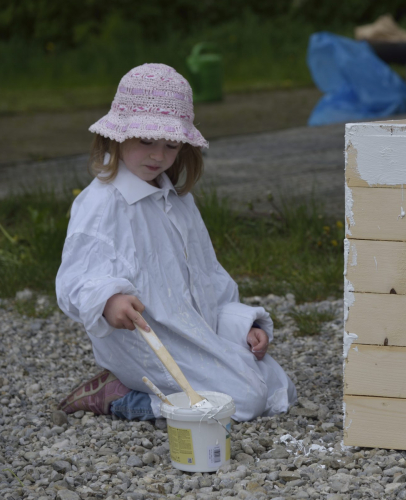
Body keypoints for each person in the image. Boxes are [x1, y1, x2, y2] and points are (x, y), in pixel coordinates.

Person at [55, 63, 297, 422]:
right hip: (145, 340)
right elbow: (75, 279)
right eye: (146, 142)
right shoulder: (103, 204)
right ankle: (119, 396)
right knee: (242, 400)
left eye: (170, 145)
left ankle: (182, 383)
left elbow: (206, 275)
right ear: (117, 136)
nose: (158, 156)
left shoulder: (178, 201)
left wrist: (240, 325)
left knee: (278, 387)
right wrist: (108, 300)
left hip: (191, 329)